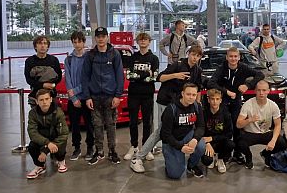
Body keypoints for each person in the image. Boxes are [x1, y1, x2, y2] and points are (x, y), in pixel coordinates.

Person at [130, 45, 204, 173]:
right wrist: (175, 75)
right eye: (193, 54)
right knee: (161, 131)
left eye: (197, 56)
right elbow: (159, 77)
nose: (194, 58)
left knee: (183, 128)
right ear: (188, 54)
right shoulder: (177, 64)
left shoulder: (197, 70)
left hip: (182, 104)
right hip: (166, 101)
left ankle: (177, 154)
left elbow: (198, 88)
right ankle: (138, 158)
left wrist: (197, 104)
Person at [207, 46, 264, 164]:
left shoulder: (243, 68)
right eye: (231, 56)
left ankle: (238, 153)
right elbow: (211, 82)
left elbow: (260, 74)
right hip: (222, 101)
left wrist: (248, 85)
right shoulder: (221, 68)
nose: (233, 59)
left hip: (236, 102)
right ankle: (224, 153)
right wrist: (226, 92)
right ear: (227, 57)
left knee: (237, 128)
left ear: (239, 57)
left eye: (235, 56)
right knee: (222, 127)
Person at [81, 27, 124, 166]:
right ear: (95, 38)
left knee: (111, 125)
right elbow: (85, 77)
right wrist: (87, 97)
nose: (101, 39)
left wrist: (117, 95)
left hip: (110, 97)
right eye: (98, 36)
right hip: (94, 97)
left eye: (103, 36)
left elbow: (119, 75)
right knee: (97, 125)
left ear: (107, 38)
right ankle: (99, 151)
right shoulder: (90, 55)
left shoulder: (114, 54)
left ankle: (112, 151)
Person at [236, 80, 287, 170]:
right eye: (259, 90)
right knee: (239, 143)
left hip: (266, 132)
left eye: (264, 90)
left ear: (268, 91)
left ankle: (266, 154)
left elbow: (278, 125)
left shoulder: (273, 105)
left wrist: (273, 141)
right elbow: (238, 124)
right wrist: (249, 120)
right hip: (250, 133)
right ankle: (248, 157)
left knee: (282, 143)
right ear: (255, 91)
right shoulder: (248, 104)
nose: (261, 93)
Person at [124, 32, 159, 161]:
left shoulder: (154, 58)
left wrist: (138, 76)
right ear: (137, 42)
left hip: (147, 94)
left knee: (147, 122)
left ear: (149, 42)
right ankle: (133, 146)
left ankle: (146, 148)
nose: (143, 41)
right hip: (133, 94)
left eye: (145, 39)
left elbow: (154, 77)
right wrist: (146, 74)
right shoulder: (132, 57)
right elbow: (129, 76)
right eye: (140, 39)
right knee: (133, 122)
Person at [160, 83, 206, 179]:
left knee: (201, 146)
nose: (191, 97)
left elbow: (201, 126)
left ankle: (192, 165)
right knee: (175, 174)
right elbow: (165, 135)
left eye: (194, 95)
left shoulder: (197, 106)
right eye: (188, 94)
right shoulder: (171, 109)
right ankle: (170, 161)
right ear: (182, 93)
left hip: (187, 135)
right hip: (172, 140)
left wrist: (195, 139)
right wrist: (180, 147)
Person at [64, 31, 94, 162]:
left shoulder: (89, 58)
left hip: (87, 97)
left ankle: (90, 147)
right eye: (74, 42)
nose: (77, 44)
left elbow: (89, 78)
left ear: (84, 42)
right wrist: (73, 98)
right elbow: (67, 78)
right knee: (74, 126)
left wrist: (74, 91)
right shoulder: (69, 59)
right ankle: (76, 148)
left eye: (79, 41)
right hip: (74, 99)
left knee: (89, 125)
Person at [26, 89, 69, 179]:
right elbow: (32, 132)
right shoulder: (33, 113)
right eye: (41, 100)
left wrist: (45, 151)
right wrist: (47, 143)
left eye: (46, 99)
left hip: (55, 137)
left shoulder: (58, 112)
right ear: (37, 101)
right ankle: (40, 166)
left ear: (51, 99)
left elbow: (64, 134)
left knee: (61, 143)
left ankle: (61, 160)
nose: (44, 102)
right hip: (43, 138)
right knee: (32, 146)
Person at [24, 35, 62, 109]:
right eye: (40, 43)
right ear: (35, 46)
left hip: (51, 95)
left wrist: (53, 85)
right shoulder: (29, 61)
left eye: (45, 43)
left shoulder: (54, 60)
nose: (42, 46)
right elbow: (28, 80)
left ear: (48, 46)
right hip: (35, 97)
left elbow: (59, 77)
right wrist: (43, 85)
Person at [202, 88, 234, 174]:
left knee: (230, 144)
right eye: (212, 99)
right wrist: (207, 143)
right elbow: (200, 130)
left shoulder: (226, 114)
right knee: (206, 161)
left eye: (217, 99)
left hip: (220, 141)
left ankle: (220, 159)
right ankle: (212, 157)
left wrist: (212, 138)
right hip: (207, 142)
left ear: (220, 100)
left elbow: (229, 134)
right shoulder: (203, 113)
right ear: (208, 100)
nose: (215, 102)